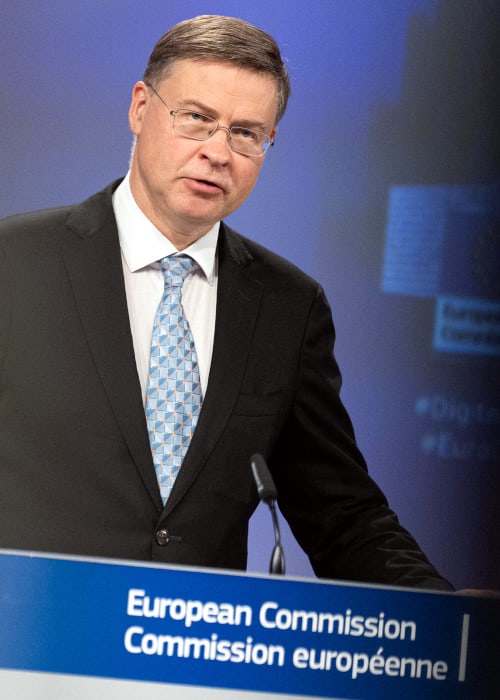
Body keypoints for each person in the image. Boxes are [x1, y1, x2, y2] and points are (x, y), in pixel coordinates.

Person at [0, 15, 452, 590]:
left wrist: (451, 618)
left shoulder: (289, 308)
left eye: (245, 133)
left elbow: (343, 516)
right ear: (140, 108)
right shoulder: (15, 263)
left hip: (196, 639)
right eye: (196, 118)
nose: (218, 151)